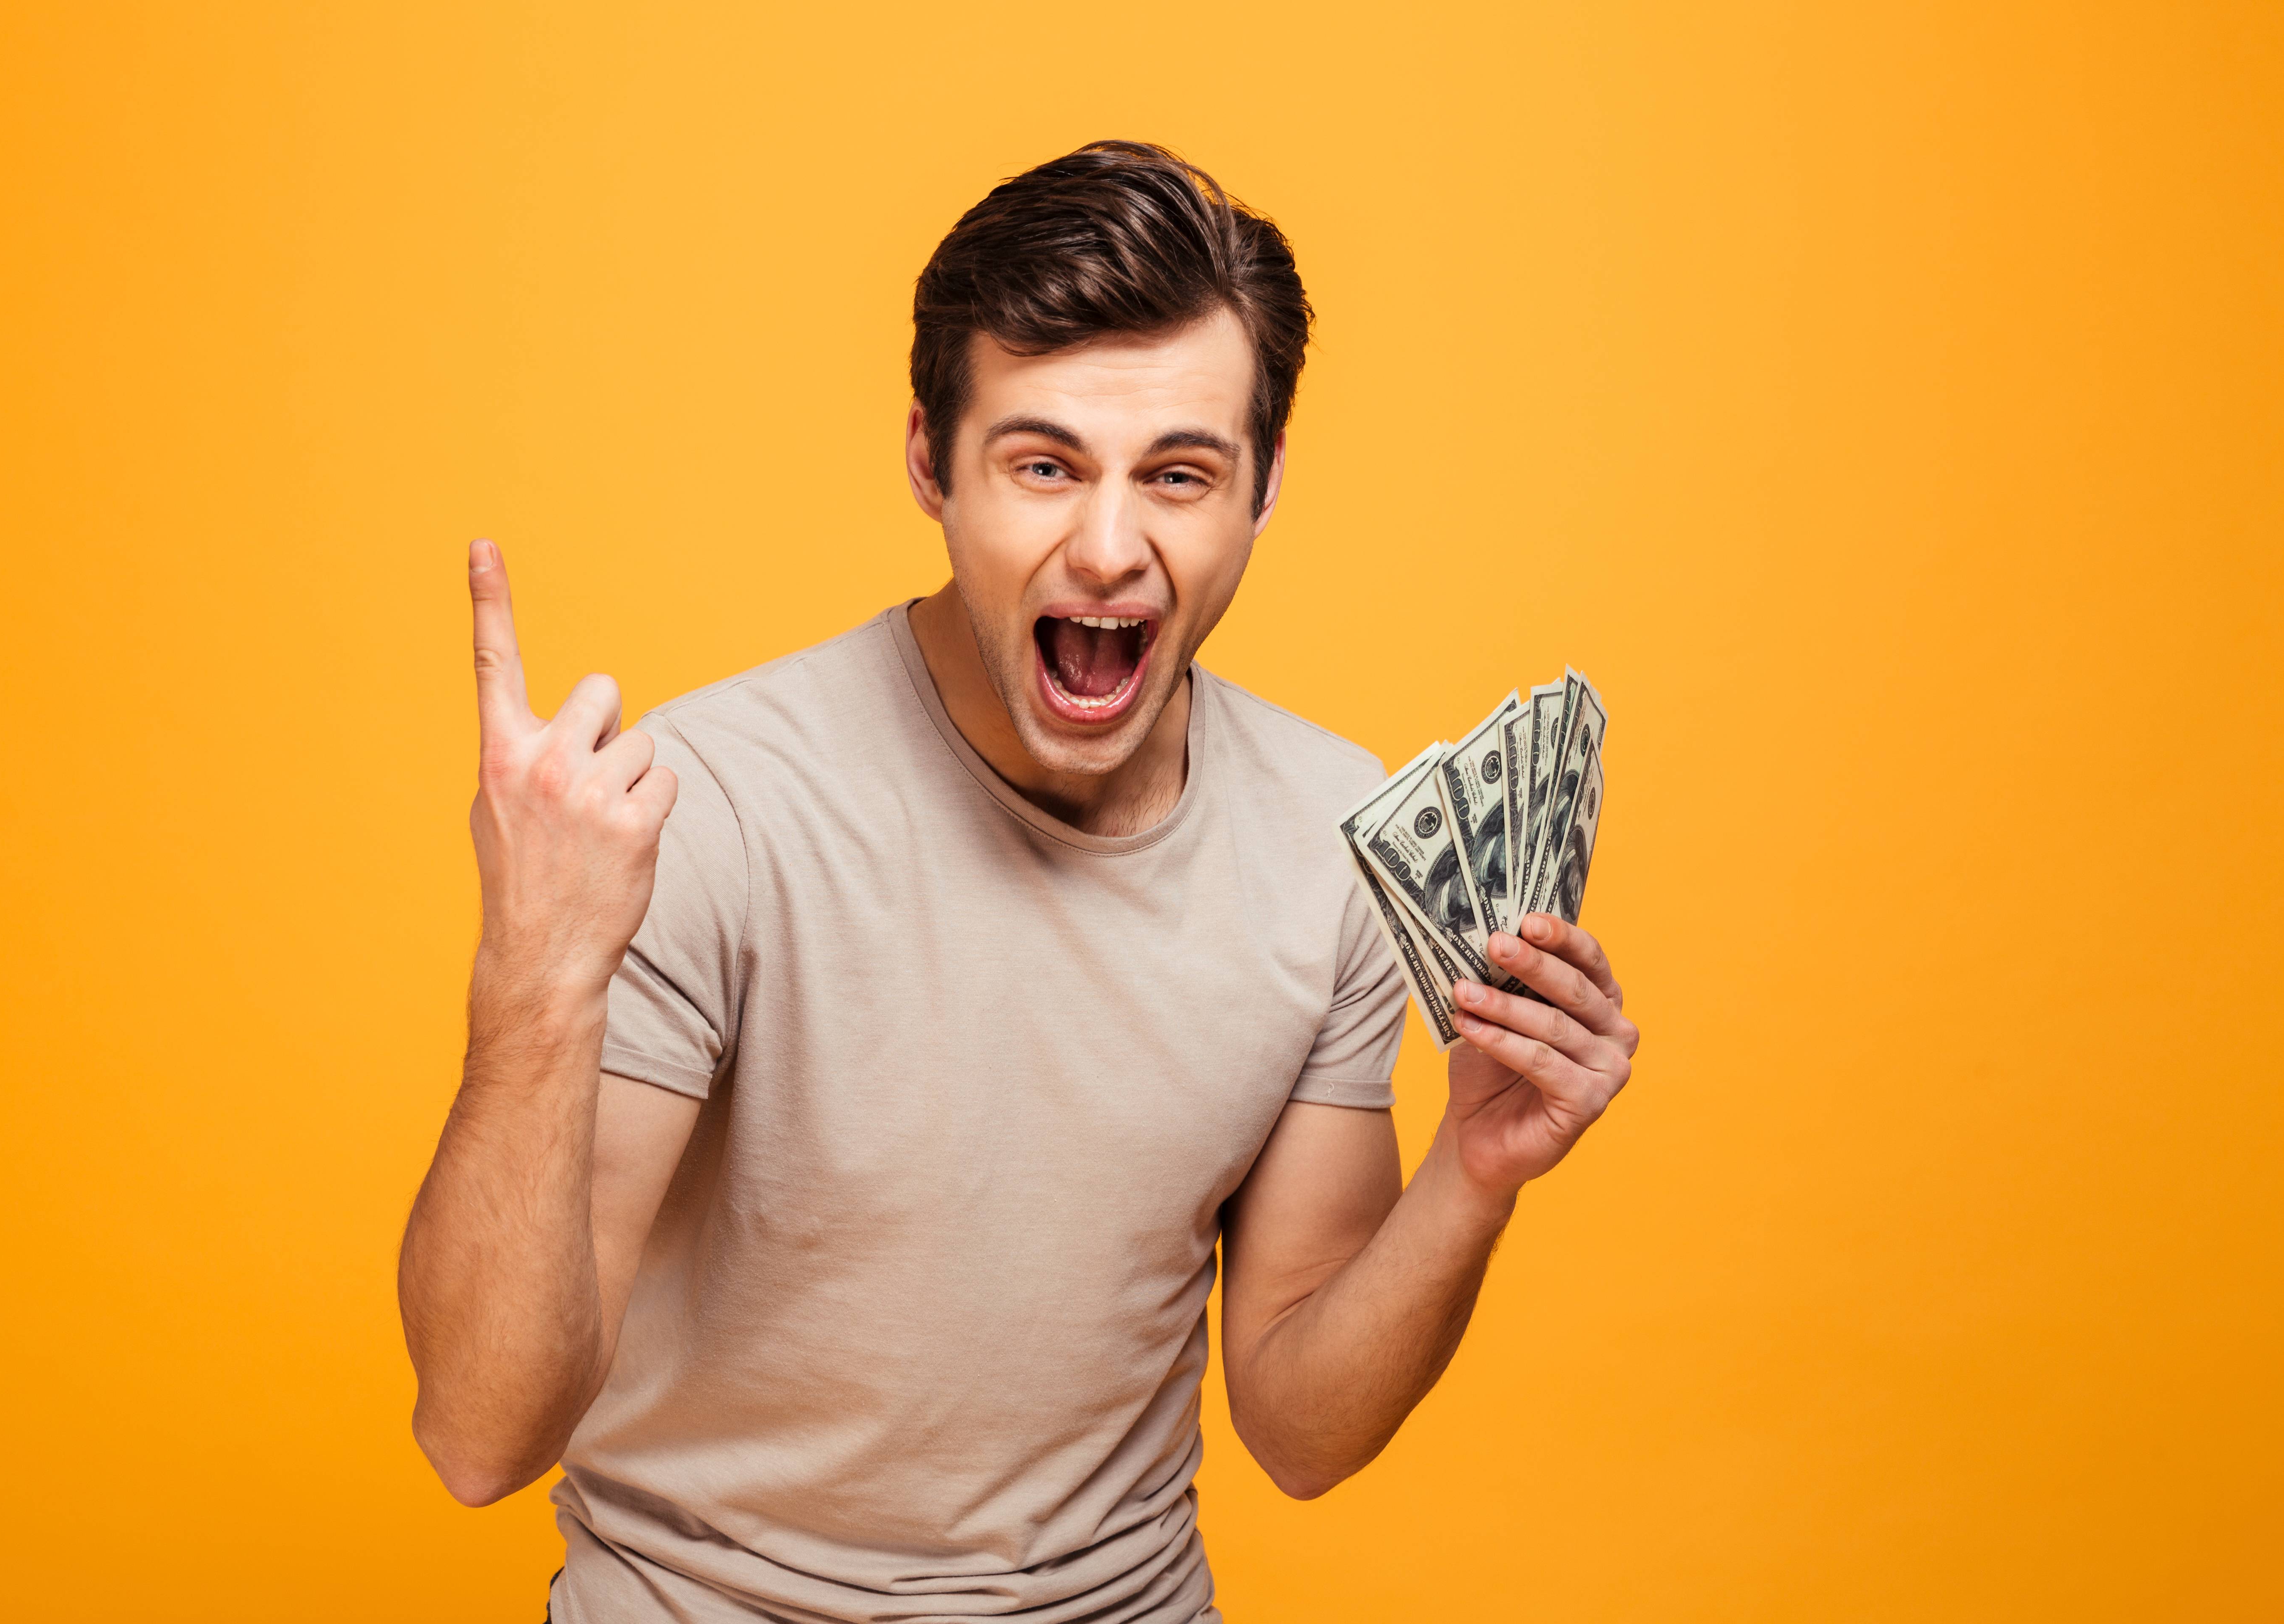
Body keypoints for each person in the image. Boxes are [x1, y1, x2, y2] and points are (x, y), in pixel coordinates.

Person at [398, 140, 1640, 1624]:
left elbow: (1302, 1436)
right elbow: (479, 1437)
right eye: (1042, 466)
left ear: (1263, 491)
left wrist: (1476, 1174)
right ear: (931, 461)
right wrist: (537, 982)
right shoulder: (708, 810)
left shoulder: (1329, 839)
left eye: (1180, 475)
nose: (1109, 549)